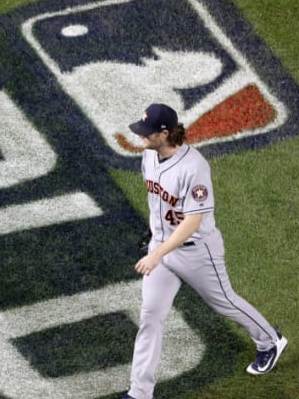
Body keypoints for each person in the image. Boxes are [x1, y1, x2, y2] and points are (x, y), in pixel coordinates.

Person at [121, 104, 288, 399]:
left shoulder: (194, 167)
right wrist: (156, 233)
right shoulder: (148, 156)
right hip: (161, 248)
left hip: (197, 251)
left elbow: (193, 221)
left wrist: (157, 253)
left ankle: (270, 340)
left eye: (148, 133)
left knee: (224, 302)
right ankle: (139, 393)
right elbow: (158, 200)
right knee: (150, 317)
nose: (141, 137)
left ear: (165, 133)